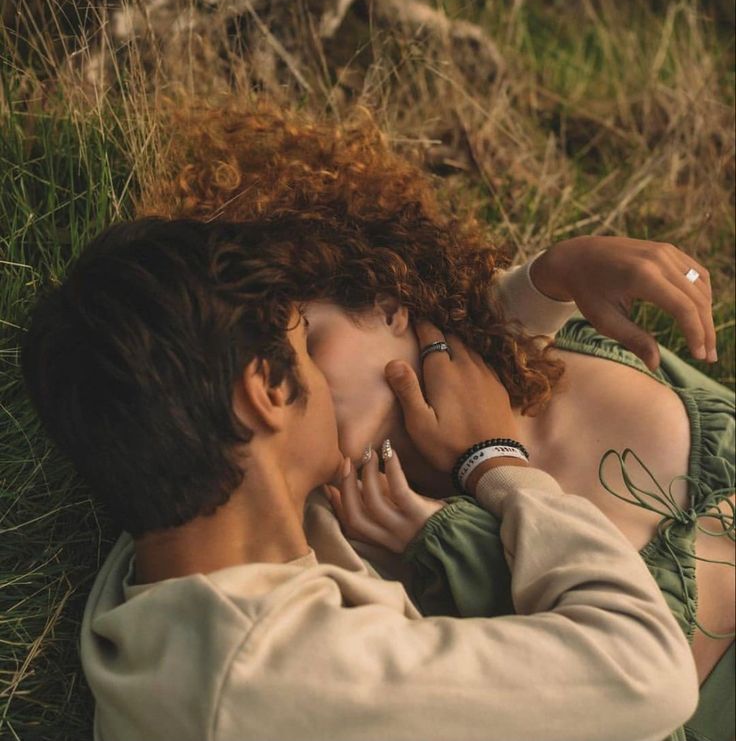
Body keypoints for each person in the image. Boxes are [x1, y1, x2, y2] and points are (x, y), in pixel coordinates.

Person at [137, 101, 734, 739]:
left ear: (387, 304)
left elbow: (468, 333)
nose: (297, 386)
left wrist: (552, 276)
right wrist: (484, 478)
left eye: (310, 343)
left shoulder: (539, 344)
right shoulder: (333, 544)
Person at [20, 217, 698, 741]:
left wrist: (548, 281)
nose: (322, 379)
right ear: (267, 391)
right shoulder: (280, 676)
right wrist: (497, 463)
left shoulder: (194, 542)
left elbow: (403, 376)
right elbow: (645, 668)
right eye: (303, 349)